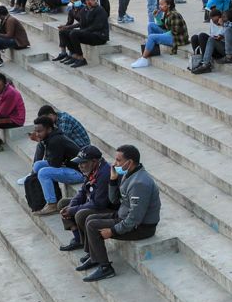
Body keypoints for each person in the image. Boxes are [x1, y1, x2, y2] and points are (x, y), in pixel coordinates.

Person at [75, 145, 160, 282]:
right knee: (88, 217)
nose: (114, 164)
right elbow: (114, 200)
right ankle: (94, 256)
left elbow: (135, 219)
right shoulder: (129, 174)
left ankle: (105, 268)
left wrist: (113, 230)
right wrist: (113, 180)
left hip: (142, 227)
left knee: (92, 225)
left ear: (129, 162)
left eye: (118, 160)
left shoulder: (140, 183)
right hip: (123, 215)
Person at [59, 145, 114, 253]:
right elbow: (82, 192)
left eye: (83, 162)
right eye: (79, 163)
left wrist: (73, 210)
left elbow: (99, 204)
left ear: (94, 161)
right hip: (95, 203)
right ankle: (78, 239)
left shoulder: (104, 174)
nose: (79, 166)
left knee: (81, 214)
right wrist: (71, 207)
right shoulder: (93, 169)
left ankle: (91, 251)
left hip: (108, 208)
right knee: (63, 204)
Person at [26, 115, 83, 215]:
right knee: (38, 165)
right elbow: (53, 161)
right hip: (66, 167)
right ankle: (41, 199)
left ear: (49, 129)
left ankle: (52, 204)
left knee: (44, 173)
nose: (37, 134)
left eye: (40, 131)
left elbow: (54, 164)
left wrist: (42, 142)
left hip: (79, 173)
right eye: (36, 131)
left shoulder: (56, 140)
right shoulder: (50, 137)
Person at [55, 0, 109, 69]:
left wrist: (82, 31)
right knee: (63, 32)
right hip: (89, 34)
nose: (95, 1)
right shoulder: (84, 10)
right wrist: (67, 27)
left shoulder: (100, 10)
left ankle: (81, 58)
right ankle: (74, 56)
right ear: (87, 1)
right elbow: (81, 24)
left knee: (74, 33)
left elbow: (97, 26)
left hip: (99, 36)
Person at [130, 0, 188, 69]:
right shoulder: (166, 12)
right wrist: (156, 17)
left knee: (152, 37)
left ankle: (144, 59)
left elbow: (175, 32)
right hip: (170, 34)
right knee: (151, 25)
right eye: (159, 4)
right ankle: (152, 49)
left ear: (168, 5)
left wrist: (160, 36)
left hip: (177, 38)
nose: (160, 6)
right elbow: (164, 26)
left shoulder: (174, 14)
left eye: (162, 4)